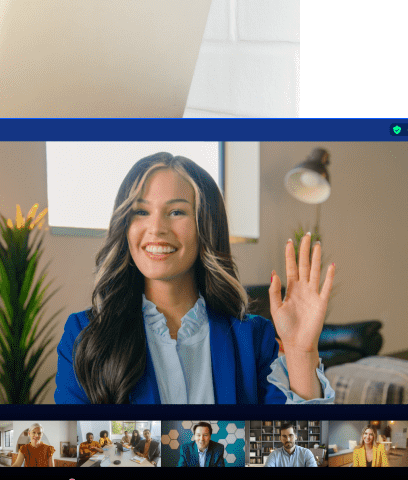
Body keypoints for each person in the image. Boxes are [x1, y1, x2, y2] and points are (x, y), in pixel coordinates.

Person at [55, 152, 337, 404]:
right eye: (141, 211)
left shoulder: (253, 339)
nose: (156, 227)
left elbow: (293, 441)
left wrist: (301, 352)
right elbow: (83, 442)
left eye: (176, 211)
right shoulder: (84, 337)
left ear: (206, 226)